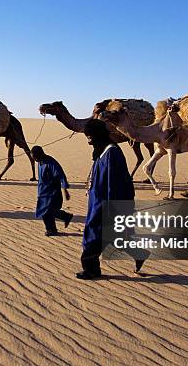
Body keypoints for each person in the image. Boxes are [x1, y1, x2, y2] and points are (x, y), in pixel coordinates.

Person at [78, 119, 145, 280]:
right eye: (87, 136)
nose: (89, 139)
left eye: (91, 135)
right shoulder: (100, 151)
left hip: (105, 203)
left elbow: (118, 183)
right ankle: (139, 253)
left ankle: (91, 269)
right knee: (114, 237)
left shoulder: (111, 152)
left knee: (94, 237)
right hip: (96, 201)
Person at [31, 146, 73, 236]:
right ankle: (57, 224)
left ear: (40, 154)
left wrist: (65, 190)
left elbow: (61, 175)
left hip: (52, 193)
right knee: (45, 211)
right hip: (43, 192)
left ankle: (56, 226)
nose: (34, 160)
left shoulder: (51, 163)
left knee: (47, 211)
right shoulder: (40, 161)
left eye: (35, 157)